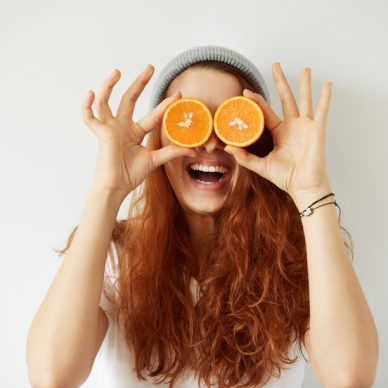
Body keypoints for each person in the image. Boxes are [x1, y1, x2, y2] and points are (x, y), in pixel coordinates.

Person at [26, 45, 378, 388]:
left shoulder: (296, 258)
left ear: (257, 141)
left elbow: (350, 377)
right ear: (159, 141)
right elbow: (51, 376)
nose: (210, 143)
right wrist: (107, 191)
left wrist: (312, 191)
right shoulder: (113, 255)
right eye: (188, 121)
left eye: (231, 122)